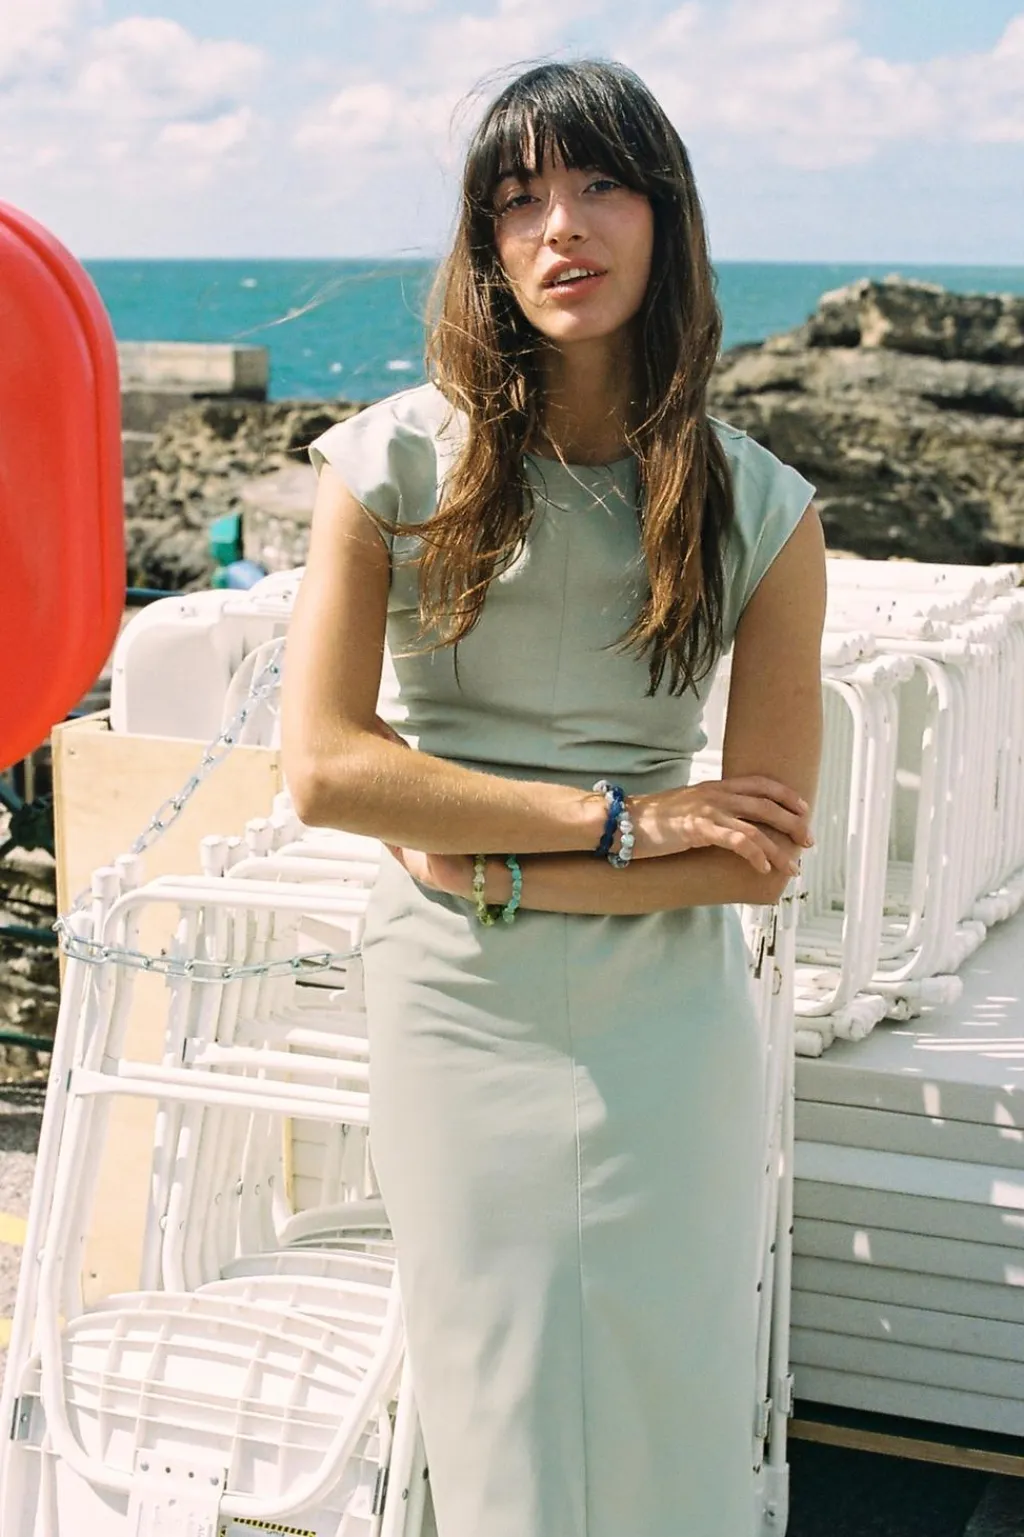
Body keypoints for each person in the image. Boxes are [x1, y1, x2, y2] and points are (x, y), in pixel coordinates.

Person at [281, 58, 826, 1537]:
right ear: (486, 244)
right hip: (457, 1006)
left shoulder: (761, 506)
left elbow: (756, 856)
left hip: (665, 1022)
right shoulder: (386, 463)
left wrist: (488, 861)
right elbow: (327, 769)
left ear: (666, 219)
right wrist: (622, 821)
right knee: (500, 1390)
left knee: (669, 1388)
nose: (561, 228)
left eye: (599, 186)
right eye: (518, 201)